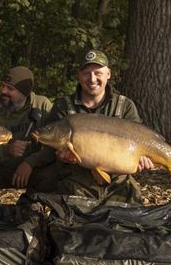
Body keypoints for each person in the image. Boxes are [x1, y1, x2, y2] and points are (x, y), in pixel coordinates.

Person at [30, 49, 154, 204]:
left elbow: (141, 140)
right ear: (79, 75)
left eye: (98, 73)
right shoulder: (63, 106)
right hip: (77, 180)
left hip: (118, 181)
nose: (92, 78)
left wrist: (143, 160)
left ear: (108, 74)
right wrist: (60, 157)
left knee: (131, 220)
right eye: (86, 73)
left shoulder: (125, 106)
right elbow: (51, 150)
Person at [0, 66, 53, 203]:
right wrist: (7, 150)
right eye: (2, 86)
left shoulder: (42, 105)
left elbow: (54, 146)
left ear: (25, 92)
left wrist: (30, 162)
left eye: (10, 89)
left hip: (31, 169)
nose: (3, 91)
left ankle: (31, 209)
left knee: (52, 174)